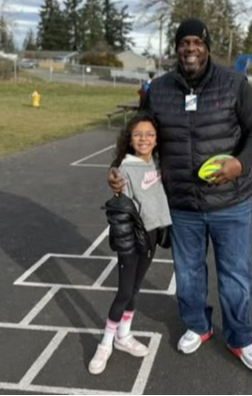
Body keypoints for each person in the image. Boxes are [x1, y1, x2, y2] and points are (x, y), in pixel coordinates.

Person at [108, 18, 252, 372]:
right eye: (184, 42)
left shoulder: (234, 84)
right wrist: (120, 169)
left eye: (197, 41)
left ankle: (241, 338)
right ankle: (198, 325)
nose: (190, 48)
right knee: (189, 273)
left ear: (207, 46)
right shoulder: (159, 89)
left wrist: (239, 165)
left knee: (235, 274)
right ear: (177, 48)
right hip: (181, 203)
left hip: (231, 201)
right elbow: (140, 134)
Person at [89, 113, 172, 375]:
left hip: (152, 235)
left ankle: (123, 336)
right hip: (133, 238)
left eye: (149, 134)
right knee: (124, 292)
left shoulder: (156, 163)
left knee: (135, 289)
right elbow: (122, 208)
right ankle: (105, 344)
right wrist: (125, 243)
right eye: (138, 134)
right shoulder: (125, 169)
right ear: (130, 139)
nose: (144, 139)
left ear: (157, 139)